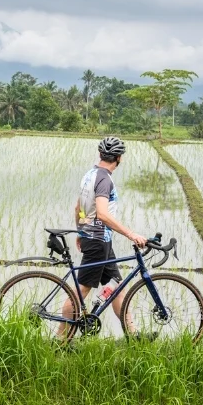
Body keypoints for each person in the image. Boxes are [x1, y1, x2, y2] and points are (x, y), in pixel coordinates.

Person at [60, 136, 147, 336]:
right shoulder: (104, 179)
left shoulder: (90, 175)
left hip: (98, 240)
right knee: (81, 291)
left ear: (100, 154)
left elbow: (78, 207)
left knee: (116, 285)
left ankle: (133, 336)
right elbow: (102, 214)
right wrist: (131, 234)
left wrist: (81, 231)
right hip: (98, 241)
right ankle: (60, 339)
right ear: (119, 158)